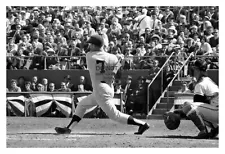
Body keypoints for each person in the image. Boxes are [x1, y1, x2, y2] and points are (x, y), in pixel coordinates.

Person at [55, 35, 149, 135]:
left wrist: (117, 62)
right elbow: (116, 74)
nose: (89, 46)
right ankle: (69, 128)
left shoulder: (90, 56)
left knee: (115, 115)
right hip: (107, 87)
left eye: (91, 44)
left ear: (96, 45)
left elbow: (101, 69)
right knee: (82, 105)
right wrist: (119, 62)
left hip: (101, 89)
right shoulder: (112, 57)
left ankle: (142, 124)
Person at [169, 58, 218, 139]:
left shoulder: (201, 84)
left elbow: (195, 108)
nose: (193, 71)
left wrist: (178, 113)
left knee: (187, 106)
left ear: (198, 70)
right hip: (217, 110)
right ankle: (215, 129)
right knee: (194, 110)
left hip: (218, 111)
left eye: (194, 69)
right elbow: (202, 105)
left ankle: (203, 131)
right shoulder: (207, 80)